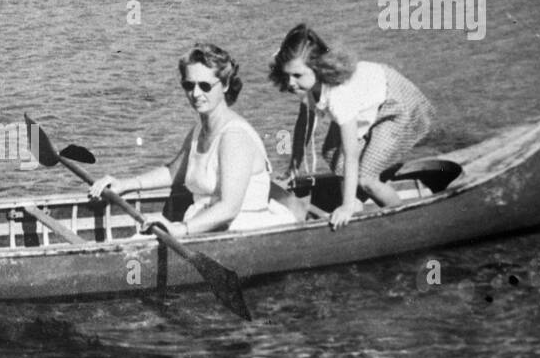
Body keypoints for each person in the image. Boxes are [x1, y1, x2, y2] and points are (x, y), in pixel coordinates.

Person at [88, 43, 294, 235]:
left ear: (224, 85)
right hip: (207, 225)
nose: (195, 93)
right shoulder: (198, 131)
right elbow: (173, 172)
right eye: (189, 85)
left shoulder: (234, 137)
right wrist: (124, 184)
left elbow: (229, 208)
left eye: (205, 86)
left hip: (240, 230)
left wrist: (181, 228)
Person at [268, 24, 434, 229]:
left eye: (297, 76)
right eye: (287, 76)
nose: (291, 83)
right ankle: (354, 202)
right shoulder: (307, 87)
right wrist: (292, 168)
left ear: (317, 69)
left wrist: (345, 207)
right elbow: (304, 125)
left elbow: (351, 154)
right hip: (368, 101)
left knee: (367, 180)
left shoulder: (339, 95)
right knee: (331, 153)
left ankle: (408, 224)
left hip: (395, 102)